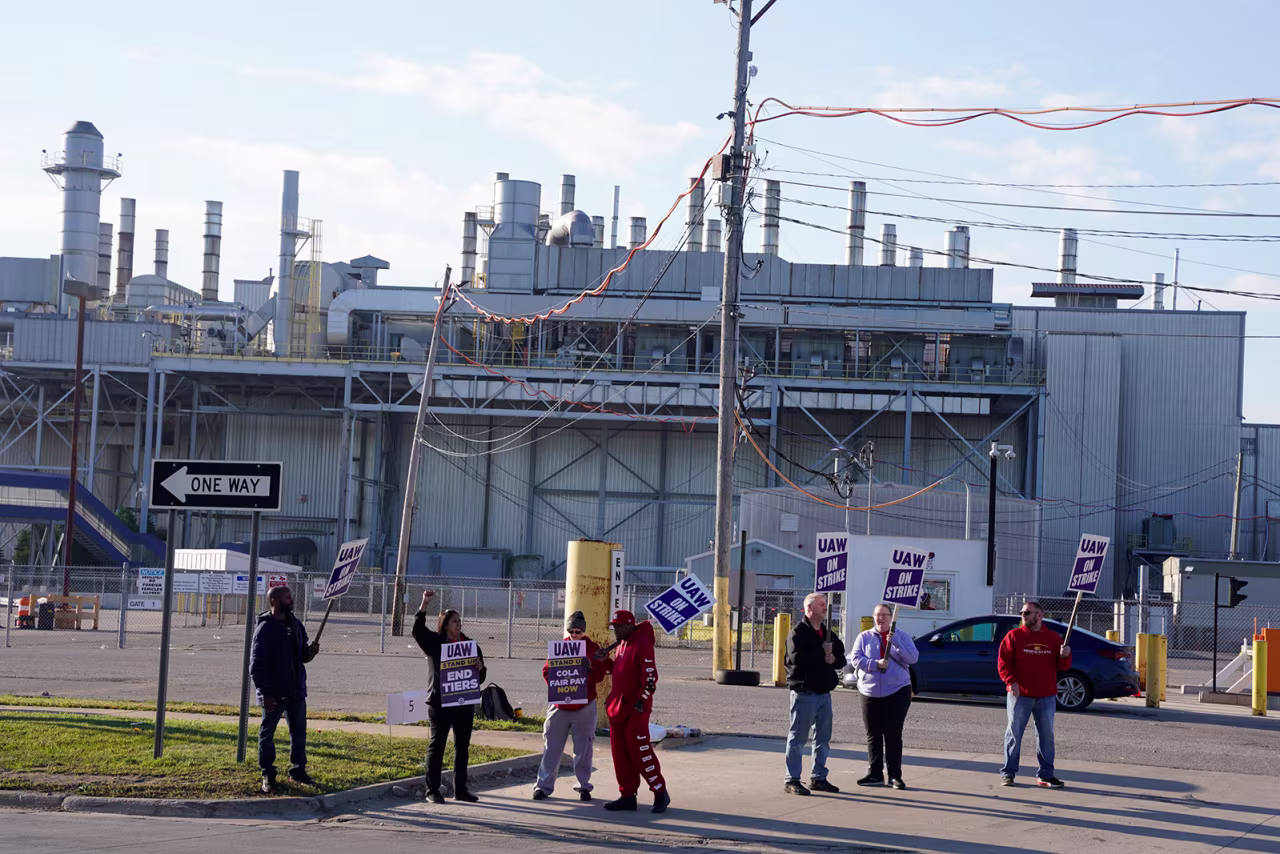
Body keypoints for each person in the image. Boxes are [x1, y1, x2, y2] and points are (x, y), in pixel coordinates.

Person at [412, 590, 488, 804]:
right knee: (437, 746)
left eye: (459, 621)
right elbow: (417, 631)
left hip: (464, 705)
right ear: (445, 625)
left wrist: (480, 667)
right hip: (440, 703)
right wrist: (424, 604)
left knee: (462, 747)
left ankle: (460, 790)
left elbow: (480, 677)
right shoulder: (435, 643)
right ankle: (432, 790)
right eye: (454, 621)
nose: (458, 624)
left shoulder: (471, 646)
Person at [532, 610, 612, 801]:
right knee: (551, 746)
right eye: (571, 631)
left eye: (578, 631)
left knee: (583, 748)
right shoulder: (560, 648)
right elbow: (546, 672)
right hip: (560, 705)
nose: (574, 635)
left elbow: (600, 675)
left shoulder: (593, 649)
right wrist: (557, 686)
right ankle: (542, 786)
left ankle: (583, 786)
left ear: (583, 631)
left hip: (584, 705)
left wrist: (589, 669)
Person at [249, 585, 320, 794]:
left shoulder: (295, 625)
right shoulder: (265, 629)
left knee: (299, 733)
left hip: (296, 691)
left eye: (291, 595)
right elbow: (256, 665)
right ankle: (268, 774)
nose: (291, 599)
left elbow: (302, 657)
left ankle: (298, 770)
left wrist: (310, 652)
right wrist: (267, 694)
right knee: (267, 734)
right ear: (274, 601)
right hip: (274, 694)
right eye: (287, 597)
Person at [997, 599, 1072, 788]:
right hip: (1020, 695)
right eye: (1022, 613)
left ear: (1039, 615)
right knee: (1014, 733)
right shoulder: (1013, 636)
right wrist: (1011, 681)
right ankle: (1008, 773)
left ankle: (1046, 774)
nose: (1022, 616)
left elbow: (1062, 666)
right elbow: (1003, 662)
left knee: (1046, 736)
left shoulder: (1054, 639)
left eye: (1027, 613)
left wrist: (1066, 655)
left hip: (1046, 695)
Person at [602, 609, 671, 813]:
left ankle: (660, 792)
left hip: (635, 709)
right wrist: (604, 660)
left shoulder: (642, 644)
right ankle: (627, 795)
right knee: (620, 753)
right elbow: (620, 671)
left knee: (640, 751)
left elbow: (650, 677)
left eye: (619, 626)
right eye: (614, 626)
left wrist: (642, 698)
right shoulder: (622, 644)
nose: (616, 629)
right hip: (618, 707)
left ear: (630, 625)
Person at [782, 592, 847, 795]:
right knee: (798, 737)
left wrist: (832, 658)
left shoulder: (828, 633)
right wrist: (822, 652)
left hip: (824, 694)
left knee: (823, 738)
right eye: (821, 604)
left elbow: (841, 657)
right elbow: (796, 659)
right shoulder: (798, 632)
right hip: (804, 693)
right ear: (809, 609)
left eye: (825, 604)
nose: (825, 607)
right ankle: (791, 779)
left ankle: (819, 777)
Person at [851, 604, 919, 789]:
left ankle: (895, 775)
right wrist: (874, 664)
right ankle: (875, 774)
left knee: (893, 734)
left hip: (897, 690)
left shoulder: (902, 636)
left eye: (884, 615)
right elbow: (855, 658)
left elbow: (913, 658)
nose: (881, 618)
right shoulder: (864, 637)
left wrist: (896, 642)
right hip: (869, 691)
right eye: (877, 615)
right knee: (873, 734)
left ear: (891, 617)